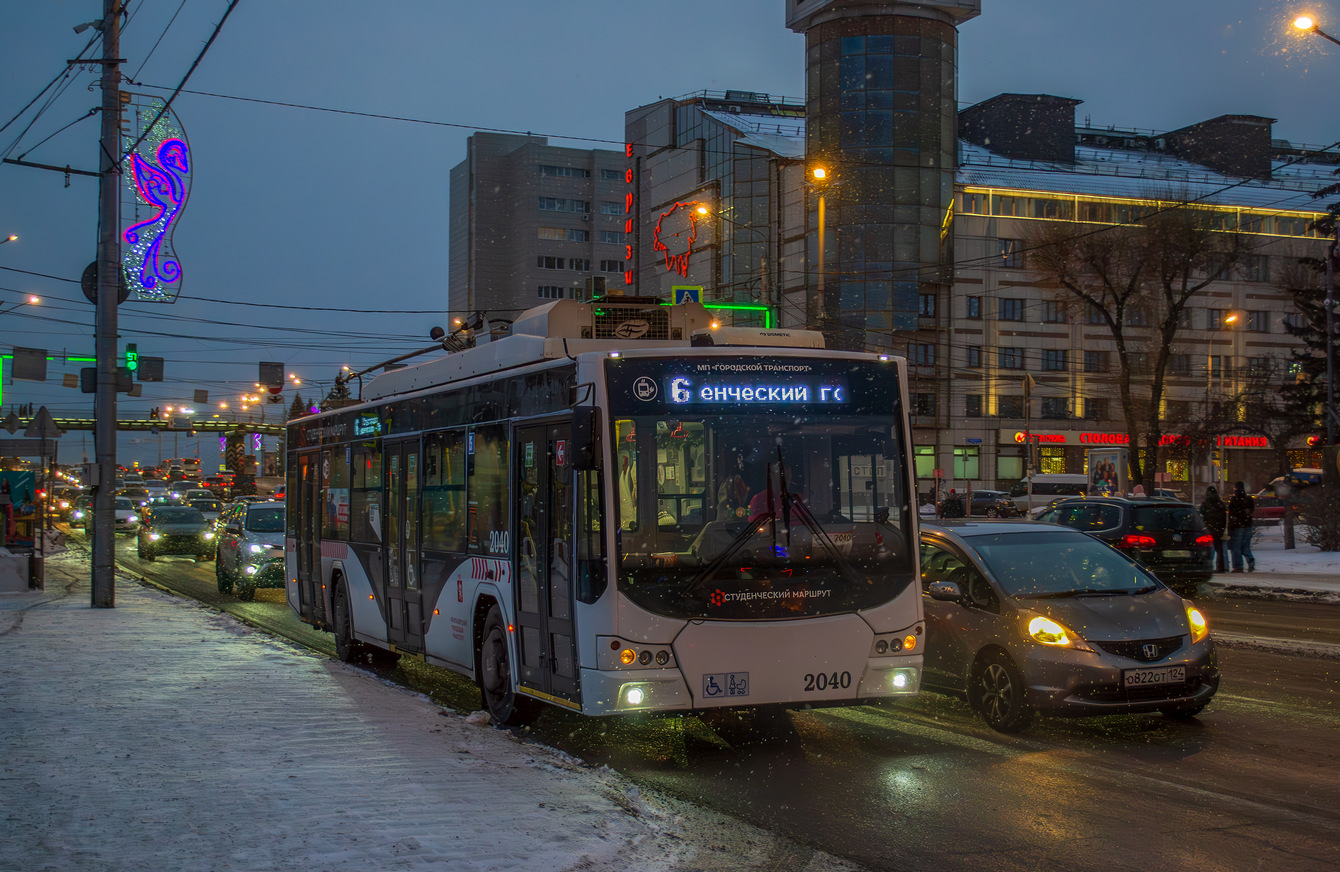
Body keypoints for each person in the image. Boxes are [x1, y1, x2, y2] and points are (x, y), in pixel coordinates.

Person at [1226, 481, 1256, 573]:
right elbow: (1251, 511)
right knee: (1246, 546)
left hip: (1237, 526)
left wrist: (1231, 524)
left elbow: (1231, 513)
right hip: (1248, 525)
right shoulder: (1248, 499)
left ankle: (1238, 566)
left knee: (1236, 547)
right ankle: (1250, 559)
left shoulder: (1235, 499)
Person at [1199, 485, 1228, 573]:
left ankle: (1208, 566)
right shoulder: (1220, 504)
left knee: (1209, 549)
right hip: (1218, 529)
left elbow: (1201, 516)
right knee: (1219, 549)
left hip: (1209, 529)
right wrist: (1222, 529)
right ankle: (1221, 566)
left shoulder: (1206, 504)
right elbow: (1224, 518)